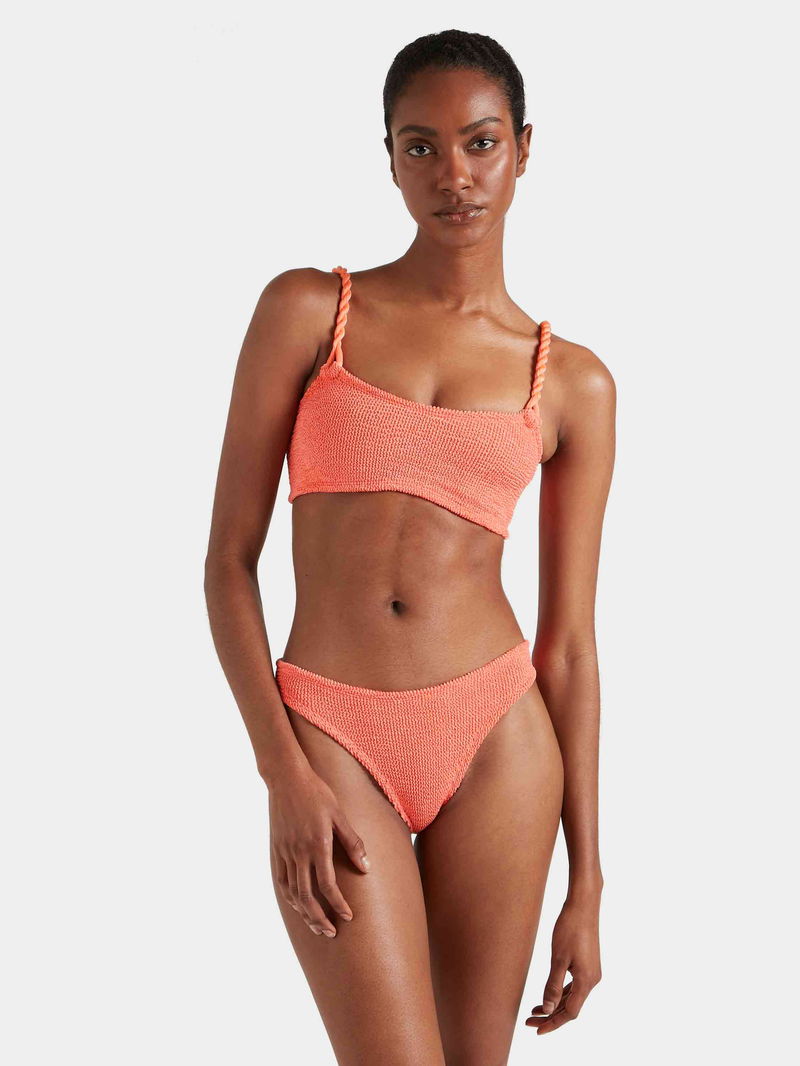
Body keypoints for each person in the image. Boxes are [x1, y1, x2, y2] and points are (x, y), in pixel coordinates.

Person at [204, 28, 615, 1065]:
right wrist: (282, 774)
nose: (453, 174)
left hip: (497, 738)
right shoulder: (311, 311)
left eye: (479, 142)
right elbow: (227, 563)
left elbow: (568, 646)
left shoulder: (571, 382)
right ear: (387, 159)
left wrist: (588, 881)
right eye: (419, 146)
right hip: (331, 733)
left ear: (523, 149)